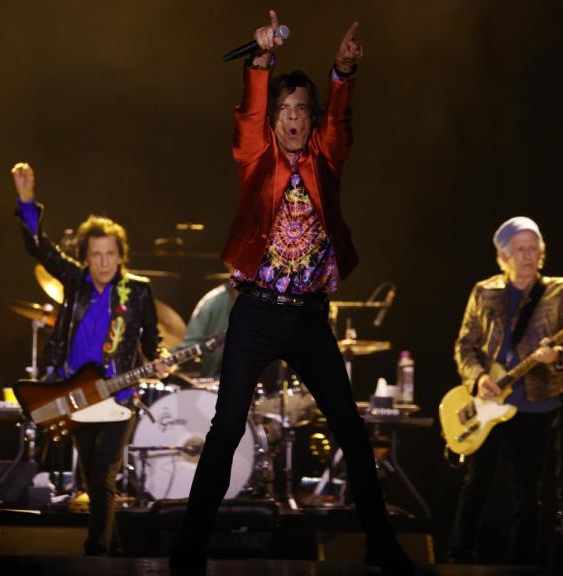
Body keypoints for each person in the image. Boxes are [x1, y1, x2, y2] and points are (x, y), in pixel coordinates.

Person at [170, 11, 412, 575]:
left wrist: (343, 72)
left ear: (313, 118)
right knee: (226, 427)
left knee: (351, 430)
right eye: (284, 110)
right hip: (256, 314)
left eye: (303, 109)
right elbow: (248, 114)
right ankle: (189, 548)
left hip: (306, 320)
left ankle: (382, 544)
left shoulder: (327, 159)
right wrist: (260, 63)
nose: (293, 119)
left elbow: (342, 120)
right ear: (273, 120)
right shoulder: (256, 156)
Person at [11, 162, 169, 556]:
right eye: (95, 255)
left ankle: (95, 552)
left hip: (118, 398)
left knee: (101, 477)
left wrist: (162, 358)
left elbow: (154, 339)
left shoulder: (138, 292)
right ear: (86, 257)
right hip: (76, 394)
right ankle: (112, 551)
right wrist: (27, 203)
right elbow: (39, 248)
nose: (103, 262)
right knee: (93, 481)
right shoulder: (75, 280)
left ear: (121, 255)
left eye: (110, 254)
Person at [448, 216, 563, 565]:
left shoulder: (559, 291)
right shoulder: (484, 291)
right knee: (476, 485)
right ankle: (458, 559)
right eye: (520, 249)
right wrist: (478, 378)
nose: (527, 256)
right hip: (489, 404)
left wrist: (556, 356)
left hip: (538, 406)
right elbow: (465, 344)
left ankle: (524, 565)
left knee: (530, 496)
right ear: (503, 256)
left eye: (533, 249)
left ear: (542, 254)